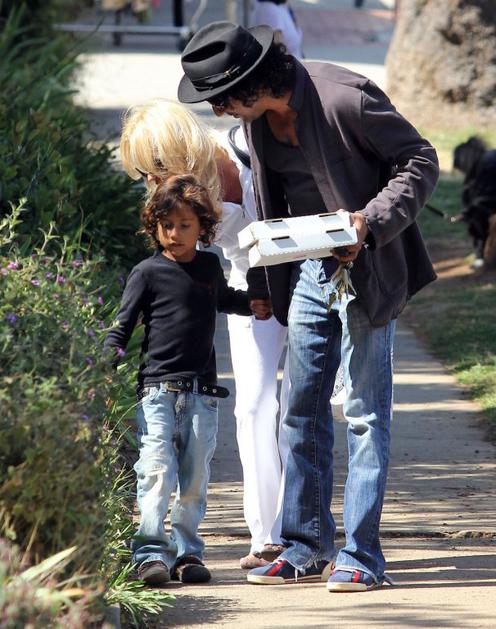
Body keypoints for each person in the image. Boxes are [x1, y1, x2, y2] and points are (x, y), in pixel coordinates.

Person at [178, 21, 439, 591]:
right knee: (300, 410)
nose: (218, 110)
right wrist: (264, 282)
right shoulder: (257, 125)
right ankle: (304, 546)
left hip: (368, 267)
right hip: (308, 273)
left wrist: (369, 222)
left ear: (250, 82)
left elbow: (420, 159)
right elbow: (270, 208)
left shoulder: (345, 97)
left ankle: (362, 557)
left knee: (365, 414)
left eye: (220, 97)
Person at [119, 99, 289, 570]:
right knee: (254, 407)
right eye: (145, 174)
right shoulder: (180, 200)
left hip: (300, 276)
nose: (152, 182)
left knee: (298, 406)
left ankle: (301, 528)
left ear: (179, 148)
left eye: (154, 167)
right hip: (248, 284)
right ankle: (267, 536)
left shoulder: (242, 155)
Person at [104, 174, 270, 585]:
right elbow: (121, 328)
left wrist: (252, 304)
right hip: (157, 392)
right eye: (166, 225)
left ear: (203, 228)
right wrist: (102, 369)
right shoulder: (147, 272)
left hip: (202, 395)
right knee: (156, 472)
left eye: (184, 225)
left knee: (194, 479)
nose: (174, 234)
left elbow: (224, 299)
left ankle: (187, 554)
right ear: (154, 226)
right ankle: (149, 555)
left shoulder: (210, 267)